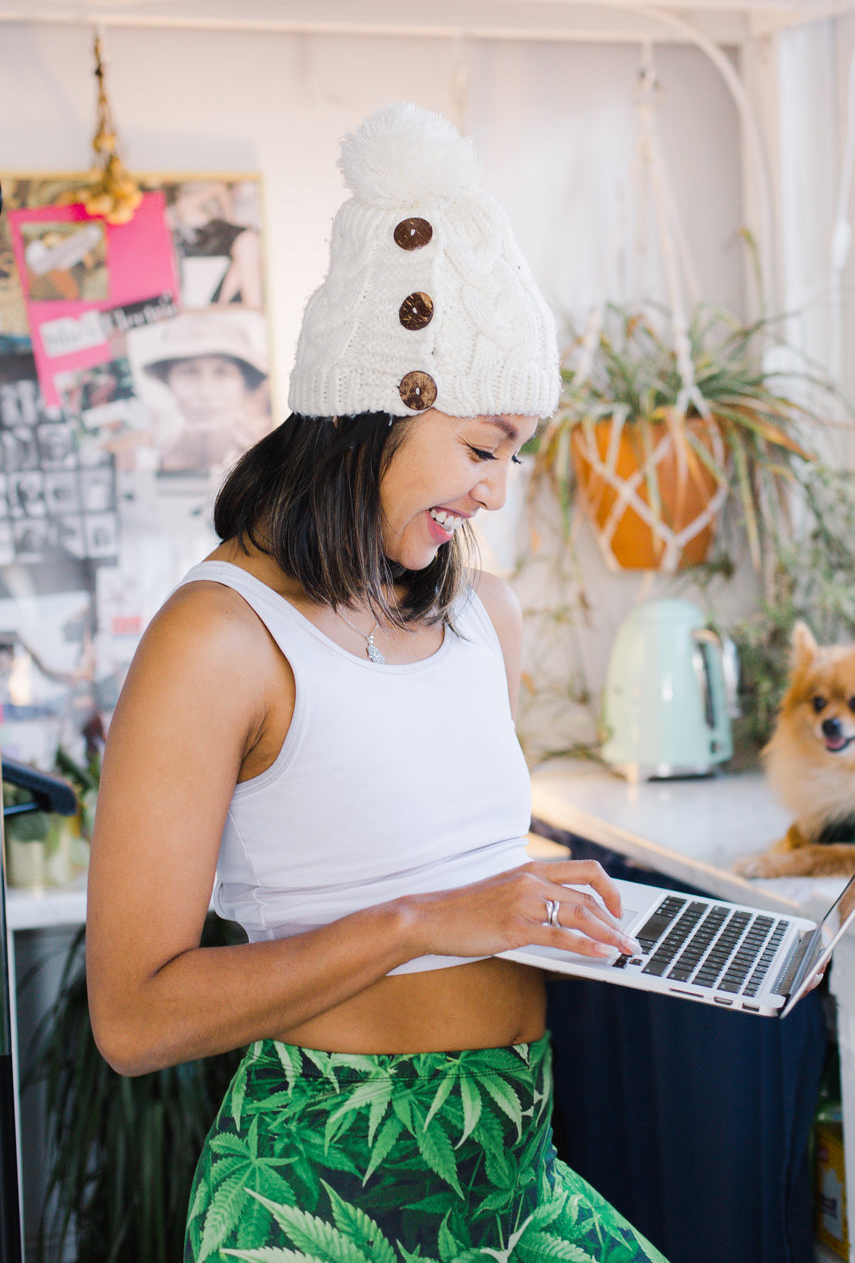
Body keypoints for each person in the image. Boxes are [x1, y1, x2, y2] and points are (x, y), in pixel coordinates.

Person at [86, 103, 668, 1263]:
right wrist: (427, 921)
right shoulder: (217, 640)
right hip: (326, 1192)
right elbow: (134, 1017)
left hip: (513, 1177)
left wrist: (546, 899)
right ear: (379, 407)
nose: (496, 491)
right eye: (483, 446)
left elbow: (446, 858)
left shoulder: (477, 616)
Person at [135, 308, 272, 472]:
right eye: (189, 373)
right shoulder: (147, 458)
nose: (205, 393)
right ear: (168, 381)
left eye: (222, 373)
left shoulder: (264, 460)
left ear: (244, 383)